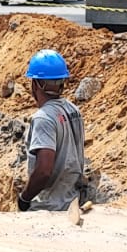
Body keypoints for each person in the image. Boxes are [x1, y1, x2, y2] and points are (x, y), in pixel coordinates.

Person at [17, 49, 87, 212]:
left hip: (49, 207)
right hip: (72, 201)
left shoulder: (43, 118)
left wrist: (25, 198)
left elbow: (44, 171)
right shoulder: (73, 110)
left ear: (35, 84)